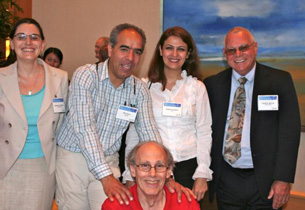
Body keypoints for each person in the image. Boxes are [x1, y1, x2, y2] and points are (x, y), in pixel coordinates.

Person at [56, 23, 191, 210]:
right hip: (73, 157)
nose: (130, 58)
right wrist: (106, 177)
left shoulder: (139, 89)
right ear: (110, 49)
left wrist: (167, 175)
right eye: (124, 49)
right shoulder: (86, 76)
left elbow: (149, 132)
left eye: (137, 52)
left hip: (108, 159)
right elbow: (85, 130)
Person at [204, 26, 301, 209]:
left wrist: (283, 179)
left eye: (244, 47)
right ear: (225, 54)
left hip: (266, 181)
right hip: (226, 179)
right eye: (231, 50)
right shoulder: (213, 85)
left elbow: (290, 133)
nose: (238, 54)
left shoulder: (279, 81)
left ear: (255, 48)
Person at [124, 26, 212, 203]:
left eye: (181, 49)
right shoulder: (144, 87)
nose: (174, 54)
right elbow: (134, 133)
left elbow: (204, 132)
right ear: (160, 50)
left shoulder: (197, 88)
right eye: (169, 47)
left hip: (188, 168)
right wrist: (128, 172)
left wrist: (202, 173)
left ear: (188, 54)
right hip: (151, 170)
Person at [0, 18, 68, 209]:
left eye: (34, 37)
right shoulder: (0, 77)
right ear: (12, 44)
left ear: (43, 43)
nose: (28, 43)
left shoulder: (60, 78)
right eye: (21, 37)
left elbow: (62, 121)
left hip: (42, 166)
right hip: (5, 166)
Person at [102, 141, 200, 210]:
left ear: (168, 171)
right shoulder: (114, 206)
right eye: (145, 165)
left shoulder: (186, 204)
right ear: (133, 170)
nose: (153, 174)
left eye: (159, 166)